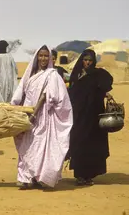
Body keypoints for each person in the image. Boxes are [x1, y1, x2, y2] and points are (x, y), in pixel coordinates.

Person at [11, 45, 73, 190]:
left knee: (40, 146)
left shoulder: (52, 75)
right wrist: (16, 108)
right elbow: (21, 91)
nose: (43, 58)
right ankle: (26, 177)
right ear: (36, 57)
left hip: (43, 116)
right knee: (27, 145)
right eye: (41, 56)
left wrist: (35, 113)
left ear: (50, 58)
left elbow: (46, 95)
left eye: (46, 56)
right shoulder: (31, 74)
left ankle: (41, 177)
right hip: (28, 112)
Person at [67, 49, 113, 186]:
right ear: (82, 60)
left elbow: (105, 84)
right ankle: (79, 175)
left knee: (92, 145)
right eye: (85, 60)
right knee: (78, 142)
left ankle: (88, 175)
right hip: (78, 116)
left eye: (90, 60)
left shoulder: (97, 74)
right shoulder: (76, 74)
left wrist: (104, 92)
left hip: (93, 116)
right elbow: (72, 92)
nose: (87, 62)